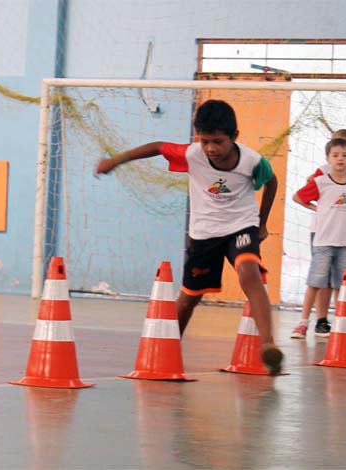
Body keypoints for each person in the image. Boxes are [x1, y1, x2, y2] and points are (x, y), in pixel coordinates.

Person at [95, 99, 283, 375]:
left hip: (241, 227)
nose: (211, 149)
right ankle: (167, 348)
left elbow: (272, 181)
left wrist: (262, 223)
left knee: (249, 273)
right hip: (204, 233)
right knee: (189, 297)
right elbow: (158, 147)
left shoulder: (253, 161)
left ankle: (268, 345)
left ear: (234, 137)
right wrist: (116, 160)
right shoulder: (192, 154)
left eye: (218, 141)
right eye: (205, 141)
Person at [291, 138, 346, 339]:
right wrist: (317, 209)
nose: (340, 159)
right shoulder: (321, 181)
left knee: (340, 285)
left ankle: (341, 321)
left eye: (344, 155)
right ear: (328, 159)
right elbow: (298, 197)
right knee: (315, 282)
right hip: (324, 240)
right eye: (335, 155)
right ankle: (303, 322)